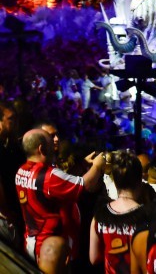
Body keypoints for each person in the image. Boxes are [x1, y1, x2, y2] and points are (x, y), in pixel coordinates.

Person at [15, 128, 106, 272]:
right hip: (51, 249)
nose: (55, 143)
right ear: (42, 149)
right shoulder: (49, 176)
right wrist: (97, 166)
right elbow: (84, 185)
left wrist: (82, 165)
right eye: (51, 141)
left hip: (33, 242)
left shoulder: (21, 171)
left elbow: (60, 186)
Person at [89, 150, 148, 274]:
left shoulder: (99, 217)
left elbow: (94, 258)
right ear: (140, 180)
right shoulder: (147, 217)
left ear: (115, 181)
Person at [0, 102, 24, 247]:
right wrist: (7, 212)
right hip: (5, 215)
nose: (15, 123)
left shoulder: (12, 145)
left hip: (15, 209)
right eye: (10, 119)